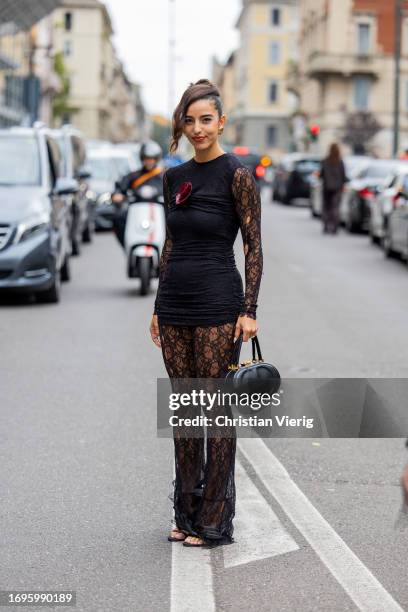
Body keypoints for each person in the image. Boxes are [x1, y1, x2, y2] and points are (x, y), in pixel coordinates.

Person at [149, 79, 263, 547]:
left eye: (205, 120)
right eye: (189, 120)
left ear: (221, 123)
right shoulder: (173, 178)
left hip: (219, 303)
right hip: (175, 303)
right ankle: (185, 513)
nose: (197, 129)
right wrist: (157, 305)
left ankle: (214, 521)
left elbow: (254, 245)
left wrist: (249, 309)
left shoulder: (236, 174)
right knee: (185, 415)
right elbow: (170, 243)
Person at [111, 141, 164, 247]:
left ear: (156, 159)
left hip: (160, 210)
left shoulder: (164, 175)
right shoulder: (133, 176)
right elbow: (120, 188)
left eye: (152, 158)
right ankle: (127, 245)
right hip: (136, 210)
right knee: (118, 217)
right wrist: (117, 195)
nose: (149, 161)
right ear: (142, 159)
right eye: (146, 158)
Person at [320, 143, 347, 234]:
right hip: (337, 188)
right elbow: (344, 176)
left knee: (327, 207)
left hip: (327, 187)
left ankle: (326, 225)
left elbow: (321, 174)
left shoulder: (325, 161)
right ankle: (334, 227)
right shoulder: (340, 162)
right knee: (335, 207)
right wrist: (342, 184)